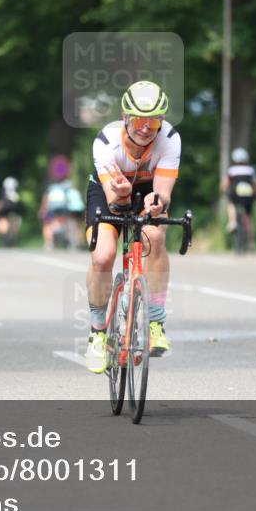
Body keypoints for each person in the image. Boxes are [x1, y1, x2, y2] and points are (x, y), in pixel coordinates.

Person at [84, 80, 180, 373]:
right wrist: (123, 193)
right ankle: (98, 333)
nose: (145, 127)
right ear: (125, 118)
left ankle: (155, 323)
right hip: (109, 191)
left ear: (162, 120)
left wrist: (157, 202)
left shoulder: (170, 139)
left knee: (155, 235)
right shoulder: (105, 142)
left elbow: (163, 190)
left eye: (153, 121)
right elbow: (116, 204)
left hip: (147, 187)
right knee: (103, 256)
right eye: (139, 119)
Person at [221, 147, 256, 248]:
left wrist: (224, 191)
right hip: (248, 196)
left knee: (231, 204)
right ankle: (251, 242)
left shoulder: (232, 170)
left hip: (236, 195)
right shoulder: (251, 170)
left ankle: (233, 222)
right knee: (248, 217)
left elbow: (225, 184)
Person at [0, 176, 23, 247]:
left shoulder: (4, 191)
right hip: (7, 211)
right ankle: (8, 237)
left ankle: (8, 237)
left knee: (8, 222)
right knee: (5, 222)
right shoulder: (12, 191)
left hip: (8, 211)